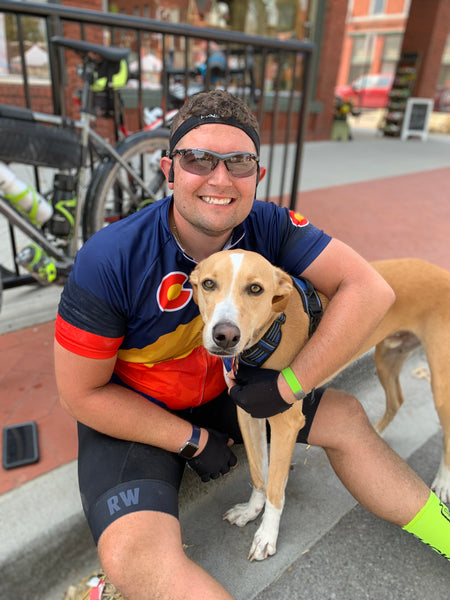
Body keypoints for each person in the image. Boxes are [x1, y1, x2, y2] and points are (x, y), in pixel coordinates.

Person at [54, 89, 450, 600]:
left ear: (257, 176)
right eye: (198, 159)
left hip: (229, 391)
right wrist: (189, 440)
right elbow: (79, 396)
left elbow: (370, 289)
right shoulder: (109, 257)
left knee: (348, 417)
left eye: (238, 162)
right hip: (140, 410)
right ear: (168, 169)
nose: (220, 179)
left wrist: (291, 385)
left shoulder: (269, 223)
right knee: (137, 559)